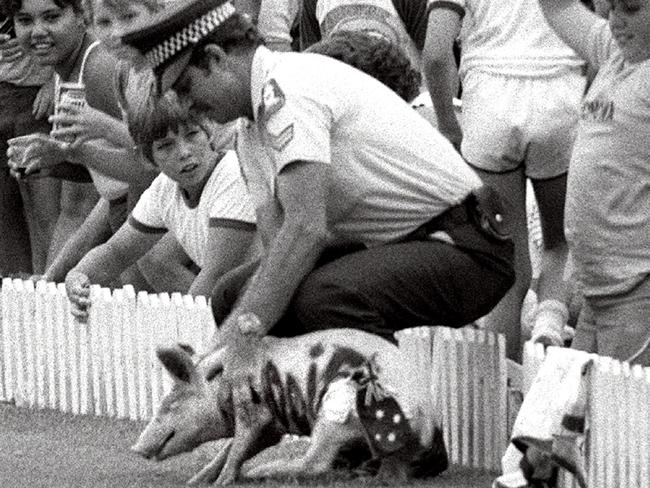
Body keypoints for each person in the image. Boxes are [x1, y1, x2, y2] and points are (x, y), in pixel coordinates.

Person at [120, 0, 514, 393]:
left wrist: (234, 339)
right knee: (231, 295)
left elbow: (306, 229)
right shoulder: (249, 129)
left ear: (216, 58)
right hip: (405, 243)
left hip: (466, 246)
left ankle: (400, 440)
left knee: (320, 298)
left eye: (186, 87)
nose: (186, 106)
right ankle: (301, 427)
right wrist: (243, 325)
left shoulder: (288, 88)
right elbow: (278, 247)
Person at [423, 0, 587, 360]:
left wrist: (448, 123)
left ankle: (508, 383)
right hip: (559, 94)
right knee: (559, 241)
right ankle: (549, 328)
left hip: (489, 102)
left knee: (506, 258)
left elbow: (435, 54)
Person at [65, 91, 257, 320]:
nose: (184, 152)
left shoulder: (233, 173)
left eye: (192, 135)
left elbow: (216, 274)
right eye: (166, 146)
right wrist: (78, 276)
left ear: (209, 134)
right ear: (148, 159)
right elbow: (116, 252)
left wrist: (179, 332)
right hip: (244, 306)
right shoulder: (164, 188)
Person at [534, 0, 650, 365]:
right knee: (577, 414)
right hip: (595, 287)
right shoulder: (614, 52)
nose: (616, 20)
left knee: (629, 415)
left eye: (631, 8)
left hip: (636, 287)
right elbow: (557, 6)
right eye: (611, 7)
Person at [0, 12, 60, 274]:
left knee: (44, 209)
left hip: (35, 98)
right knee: (5, 209)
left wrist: (54, 80)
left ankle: (48, 287)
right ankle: (16, 295)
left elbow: (82, 22)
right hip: (4, 92)